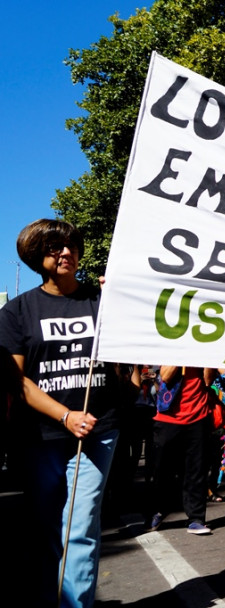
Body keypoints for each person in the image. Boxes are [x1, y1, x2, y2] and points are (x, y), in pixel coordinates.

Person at [0, 219, 129, 606]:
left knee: (80, 525)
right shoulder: (18, 311)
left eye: (71, 245)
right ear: (38, 256)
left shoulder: (100, 300)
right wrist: (64, 415)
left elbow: (128, 358)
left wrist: (122, 300)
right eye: (55, 248)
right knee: (46, 526)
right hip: (41, 436)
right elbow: (16, 381)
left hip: (97, 430)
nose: (66, 253)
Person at [145, 366, 219, 535]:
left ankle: (196, 518)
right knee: (161, 468)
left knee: (196, 469)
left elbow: (208, 381)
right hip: (168, 415)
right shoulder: (172, 345)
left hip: (198, 415)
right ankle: (158, 510)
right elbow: (166, 375)